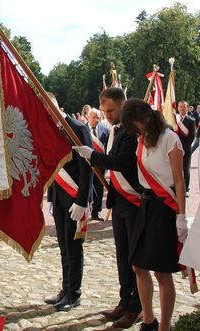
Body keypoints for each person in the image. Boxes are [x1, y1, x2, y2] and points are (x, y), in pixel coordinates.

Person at [73, 88, 142, 328]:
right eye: (104, 111)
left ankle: (137, 306)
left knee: (135, 258)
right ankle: (125, 300)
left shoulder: (133, 131)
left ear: (123, 106)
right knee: (122, 255)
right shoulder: (115, 130)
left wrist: (93, 155)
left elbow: (122, 162)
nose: (108, 115)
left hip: (134, 201)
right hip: (119, 201)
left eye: (111, 110)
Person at [121, 98, 188, 331]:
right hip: (146, 206)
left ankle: (165, 327)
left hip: (165, 208)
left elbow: (179, 181)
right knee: (138, 265)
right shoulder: (142, 140)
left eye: (136, 124)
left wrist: (181, 216)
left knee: (161, 271)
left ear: (146, 118)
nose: (135, 129)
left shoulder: (170, 138)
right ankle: (148, 320)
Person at [45, 92, 93, 312]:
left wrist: (83, 200)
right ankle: (65, 289)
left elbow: (87, 167)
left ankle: (74, 293)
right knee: (63, 246)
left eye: (49, 109)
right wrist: (50, 196)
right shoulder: (50, 131)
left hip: (75, 199)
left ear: (58, 106)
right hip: (59, 197)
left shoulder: (79, 128)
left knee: (74, 247)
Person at [86, 108, 109, 220]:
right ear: (88, 117)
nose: (96, 120)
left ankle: (96, 212)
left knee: (99, 187)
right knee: (88, 186)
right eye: (94, 117)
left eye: (98, 117)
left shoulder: (105, 130)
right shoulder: (83, 129)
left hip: (100, 164)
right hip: (87, 164)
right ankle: (87, 210)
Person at [176, 101, 196, 196]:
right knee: (175, 168)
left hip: (185, 149)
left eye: (184, 107)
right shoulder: (174, 119)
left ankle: (186, 189)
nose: (182, 108)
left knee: (185, 168)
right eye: (180, 107)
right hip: (175, 148)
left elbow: (192, 137)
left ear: (187, 108)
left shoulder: (191, 120)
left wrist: (183, 149)